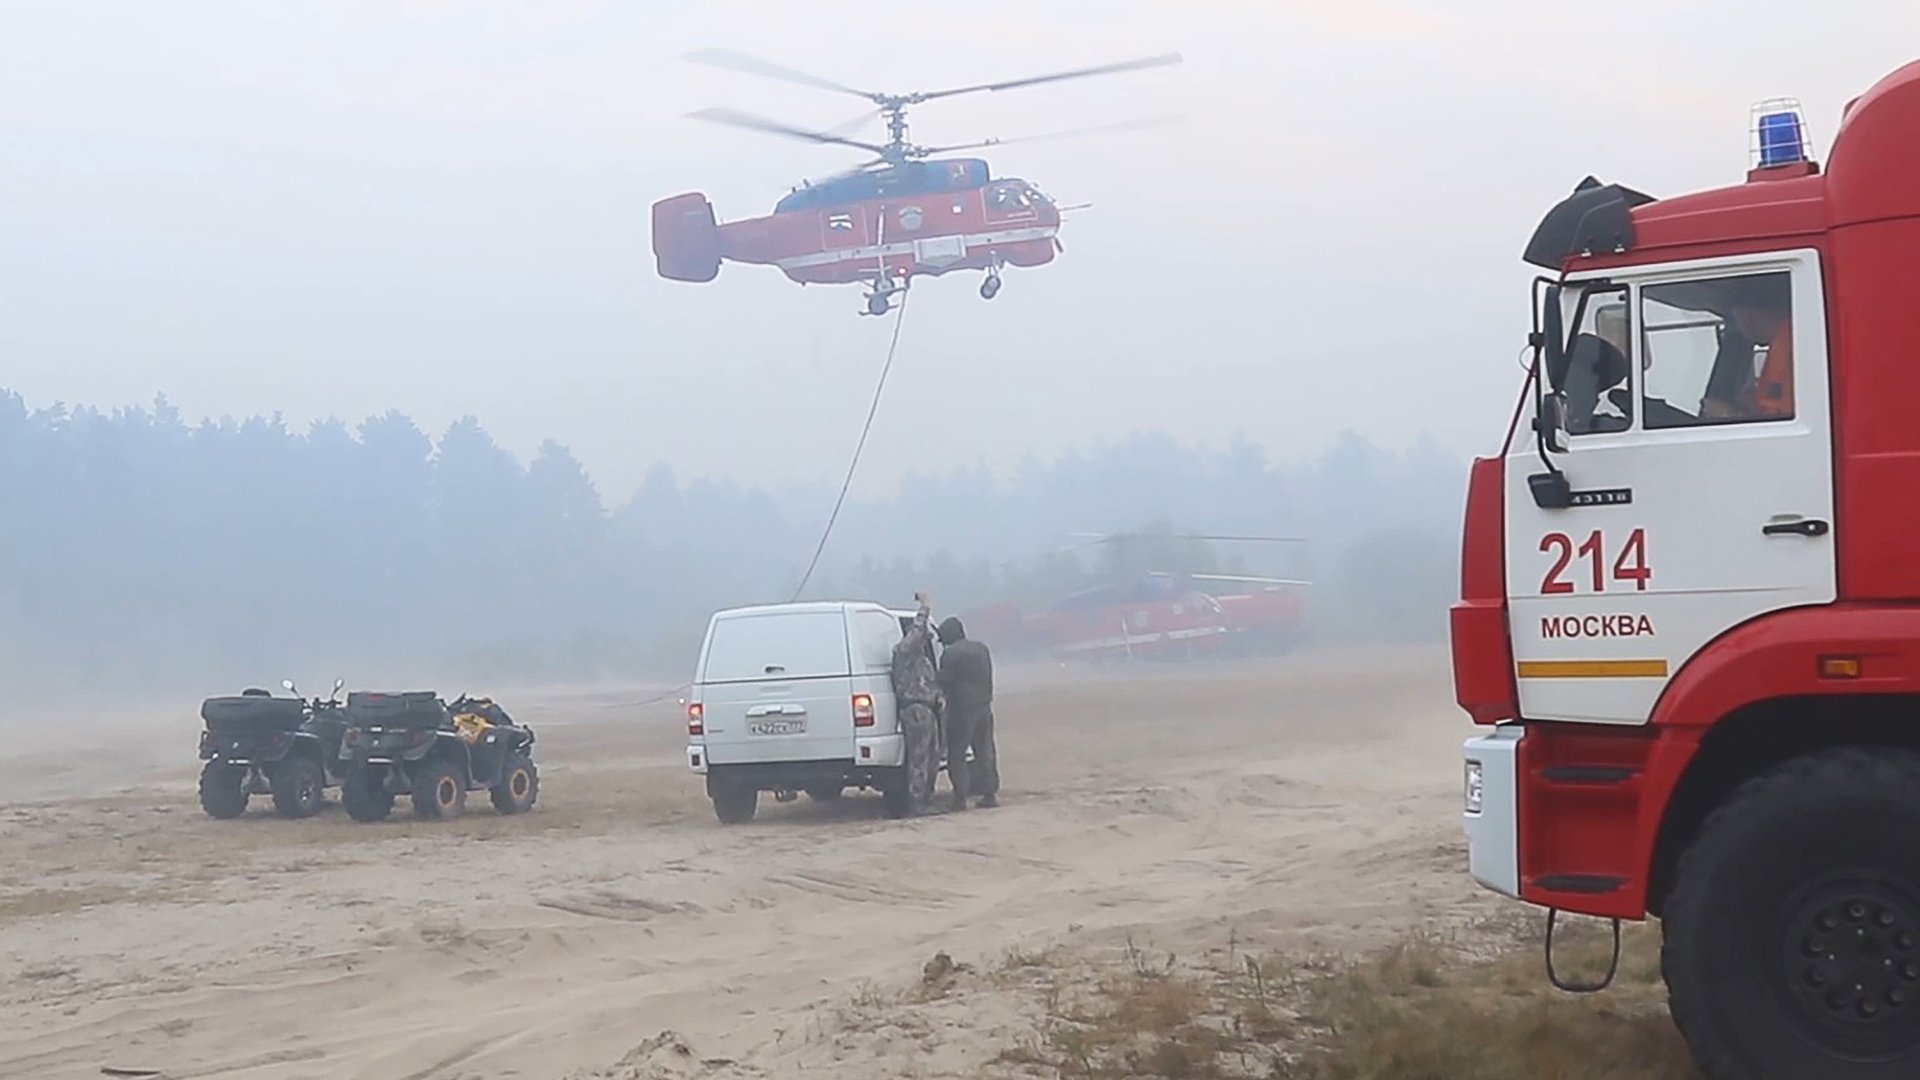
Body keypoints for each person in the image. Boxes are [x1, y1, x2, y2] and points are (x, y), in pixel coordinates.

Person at [936, 615, 999, 810]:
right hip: (984, 706)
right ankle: (989, 794)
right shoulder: (981, 648)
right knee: (985, 751)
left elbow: (945, 682)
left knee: (957, 754)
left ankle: (960, 798)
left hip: (961, 709)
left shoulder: (951, 654)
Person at [889, 591, 940, 815]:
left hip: (927, 708)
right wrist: (925, 606)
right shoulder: (904, 651)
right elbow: (918, 630)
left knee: (932, 756)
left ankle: (925, 798)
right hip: (916, 709)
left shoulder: (920, 659)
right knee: (919, 758)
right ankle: (917, 803)